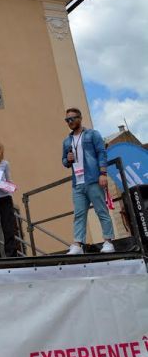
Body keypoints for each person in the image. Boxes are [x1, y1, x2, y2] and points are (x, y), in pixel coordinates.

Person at [62, 107, 115, 255]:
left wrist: (103, 173)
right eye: (67, 120)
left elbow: (101, 153)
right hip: (77, 183)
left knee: (101, 211)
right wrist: (68, 159)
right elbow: (64, 161)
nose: (70, 122)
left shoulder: (92, 134)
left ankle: (108, 241)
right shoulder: (67, 141)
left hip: (92, 179)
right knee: (79, 214)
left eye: (72, 118)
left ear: (80, 118)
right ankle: (78, 244)